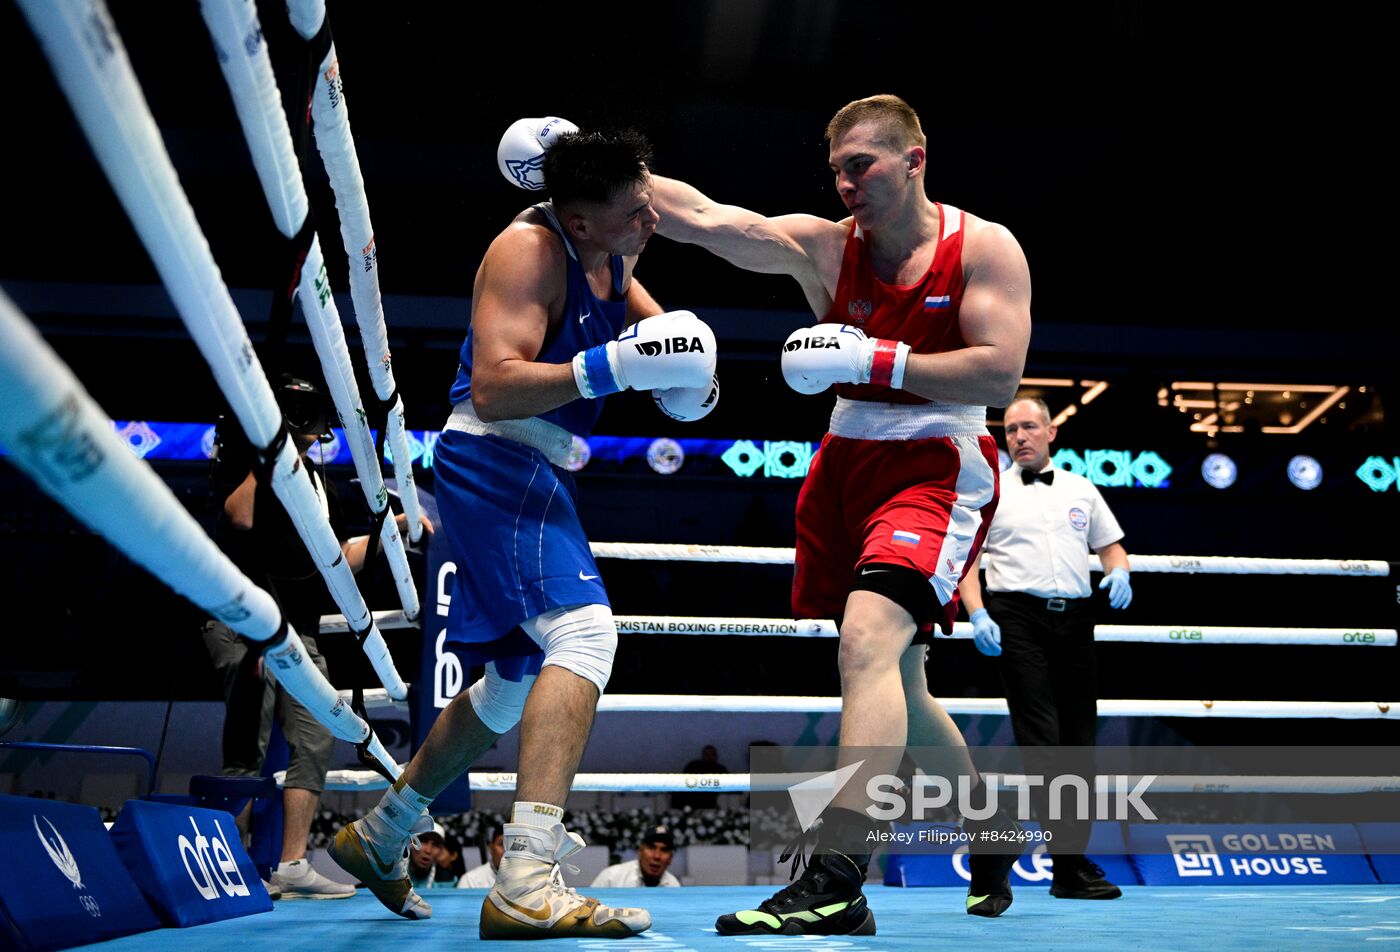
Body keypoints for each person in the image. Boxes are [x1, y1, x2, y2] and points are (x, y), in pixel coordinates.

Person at [651, 94, 1031, 933]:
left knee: (866, 642)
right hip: (844, 463)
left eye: (860, 165)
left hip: (936, 459)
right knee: (899, 679)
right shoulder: (826, 248)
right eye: (835, 170)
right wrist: (605, 169)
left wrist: (876, 357)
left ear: (914, 159)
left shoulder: (986, 248)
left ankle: (839, 872)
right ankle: (992, 828)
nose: (845, 183)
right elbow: (709, 221)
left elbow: (998, 377)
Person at [329, 124, 716, 940]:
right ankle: (526, 878)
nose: (652, 222)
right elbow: (497, 388)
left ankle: (383, 831)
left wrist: (689, 378)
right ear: (578, 220)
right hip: (495, 455)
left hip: (539, 466)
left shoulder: (617, 241)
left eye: (649, 205)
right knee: (584, 635)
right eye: (634, 213)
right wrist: (610, 370)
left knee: (510, 684)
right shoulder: (525, 254)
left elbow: (648, 332)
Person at [203, 375, 426, 900]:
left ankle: (292, 863)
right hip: (246, 621)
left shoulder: (322, 482)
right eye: (292, 410)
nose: (304, 421)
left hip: (302, 630)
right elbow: (239, 514)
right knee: (247, 745)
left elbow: (338, 554)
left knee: (316, 736)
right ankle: (229, 867)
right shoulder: (241, 452)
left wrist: (391, 530)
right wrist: (274, 454)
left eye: (308, 411)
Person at [957, 395, 1130, 900]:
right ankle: (1067, 862)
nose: (1019, 437)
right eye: (1011, 430)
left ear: (1051, 431)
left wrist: (1119, 571)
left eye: (1029, 427)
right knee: (1044, 741)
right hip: (1016, 618)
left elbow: (1110, 544)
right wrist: (978, 612)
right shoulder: (989, 489)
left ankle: (1069, 868)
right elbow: (968, 560)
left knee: (1079, 743)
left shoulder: (1080, 488)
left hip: (1076, 622)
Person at [591, 825, 680, 888]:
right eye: (651, 848)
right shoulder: (611, 877)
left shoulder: (673, 885)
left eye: (664, 850)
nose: (657, 856)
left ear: (670, 858)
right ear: (640, 851)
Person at [673, 745, 728, 809]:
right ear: (703, 755)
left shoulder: (721, 769)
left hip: (712, 798)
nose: (709, 757)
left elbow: (728, 787)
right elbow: (683, 782)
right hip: (693, 797)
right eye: (706, 754)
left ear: (716, 756)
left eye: (712, 754)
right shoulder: (693, 766)